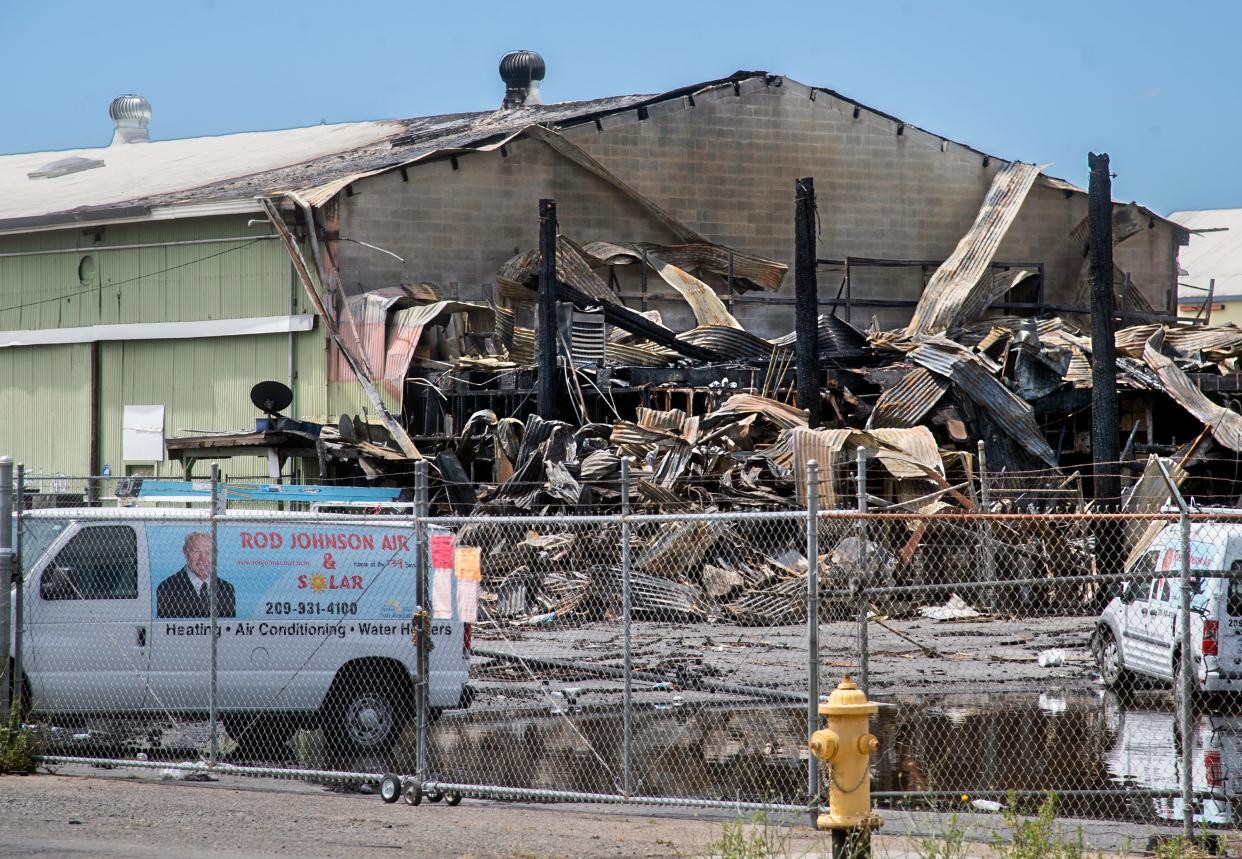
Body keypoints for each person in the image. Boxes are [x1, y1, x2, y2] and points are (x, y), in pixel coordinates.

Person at [156, 531, 235, 618]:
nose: (203, 558)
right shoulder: (168, 588)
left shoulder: (226, 588)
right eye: (196, 551)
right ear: (185, 552)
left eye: (208, 552)